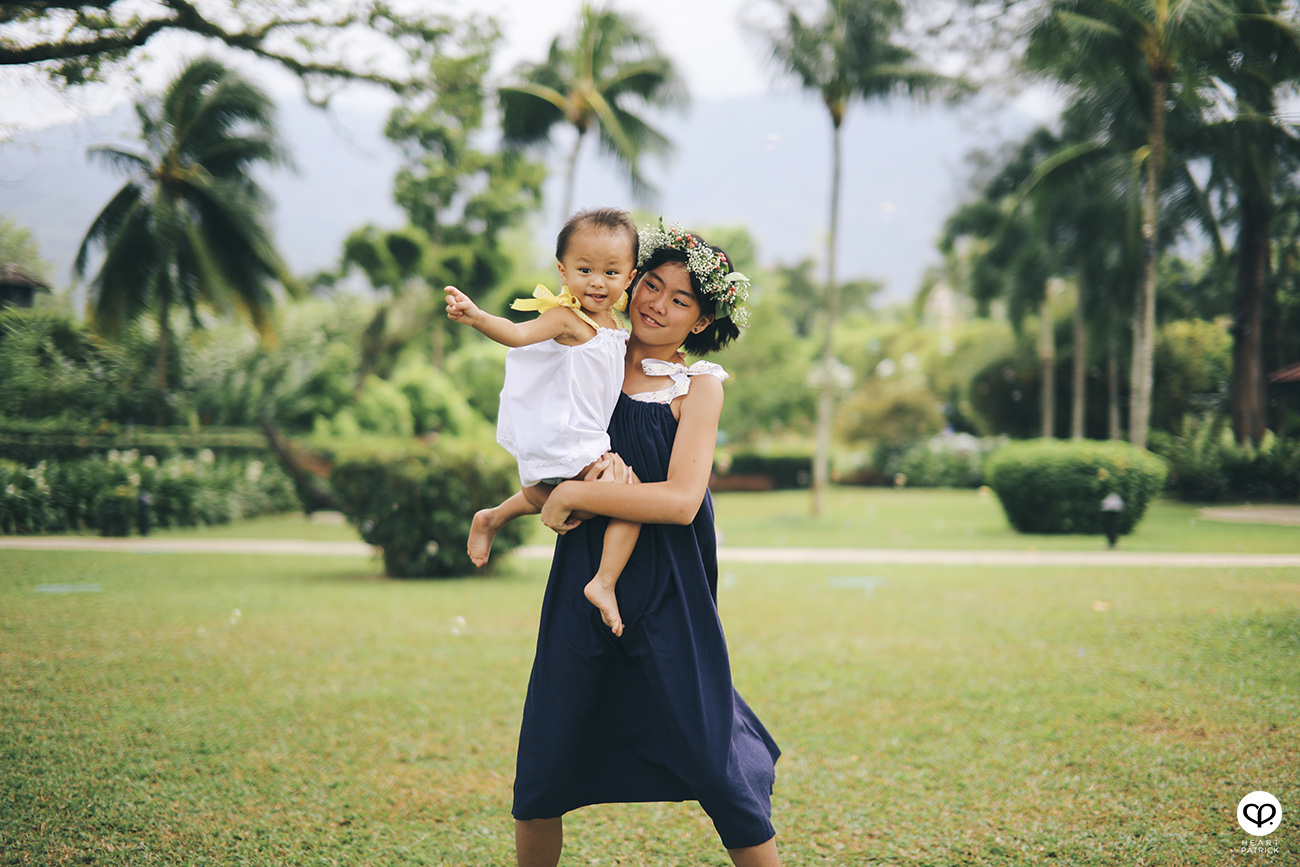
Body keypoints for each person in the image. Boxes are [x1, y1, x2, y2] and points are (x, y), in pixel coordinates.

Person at [513, 220, 782, 867]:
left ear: (701, 320)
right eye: (652, 285)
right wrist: (545, 494)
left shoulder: (698, 386)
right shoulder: (589, 356)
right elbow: (547, 460)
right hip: (582, 580)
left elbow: (681, 501)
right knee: (544, 764)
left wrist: (576, 496)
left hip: (669, 588)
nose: (657, 304)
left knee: (715, 765)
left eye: (680, 299)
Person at [443, 207, 642, 636]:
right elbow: (518, 334)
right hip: (570, 435)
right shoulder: (567, 318)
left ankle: (493, 517)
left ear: (629, 277)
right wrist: (477, 317)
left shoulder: (617, 325)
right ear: (563, 271)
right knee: (631, 498)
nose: (597, 282)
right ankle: (603, 582)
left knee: (547, 496)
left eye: (611, 272)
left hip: (590, 436)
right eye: (585, 270)